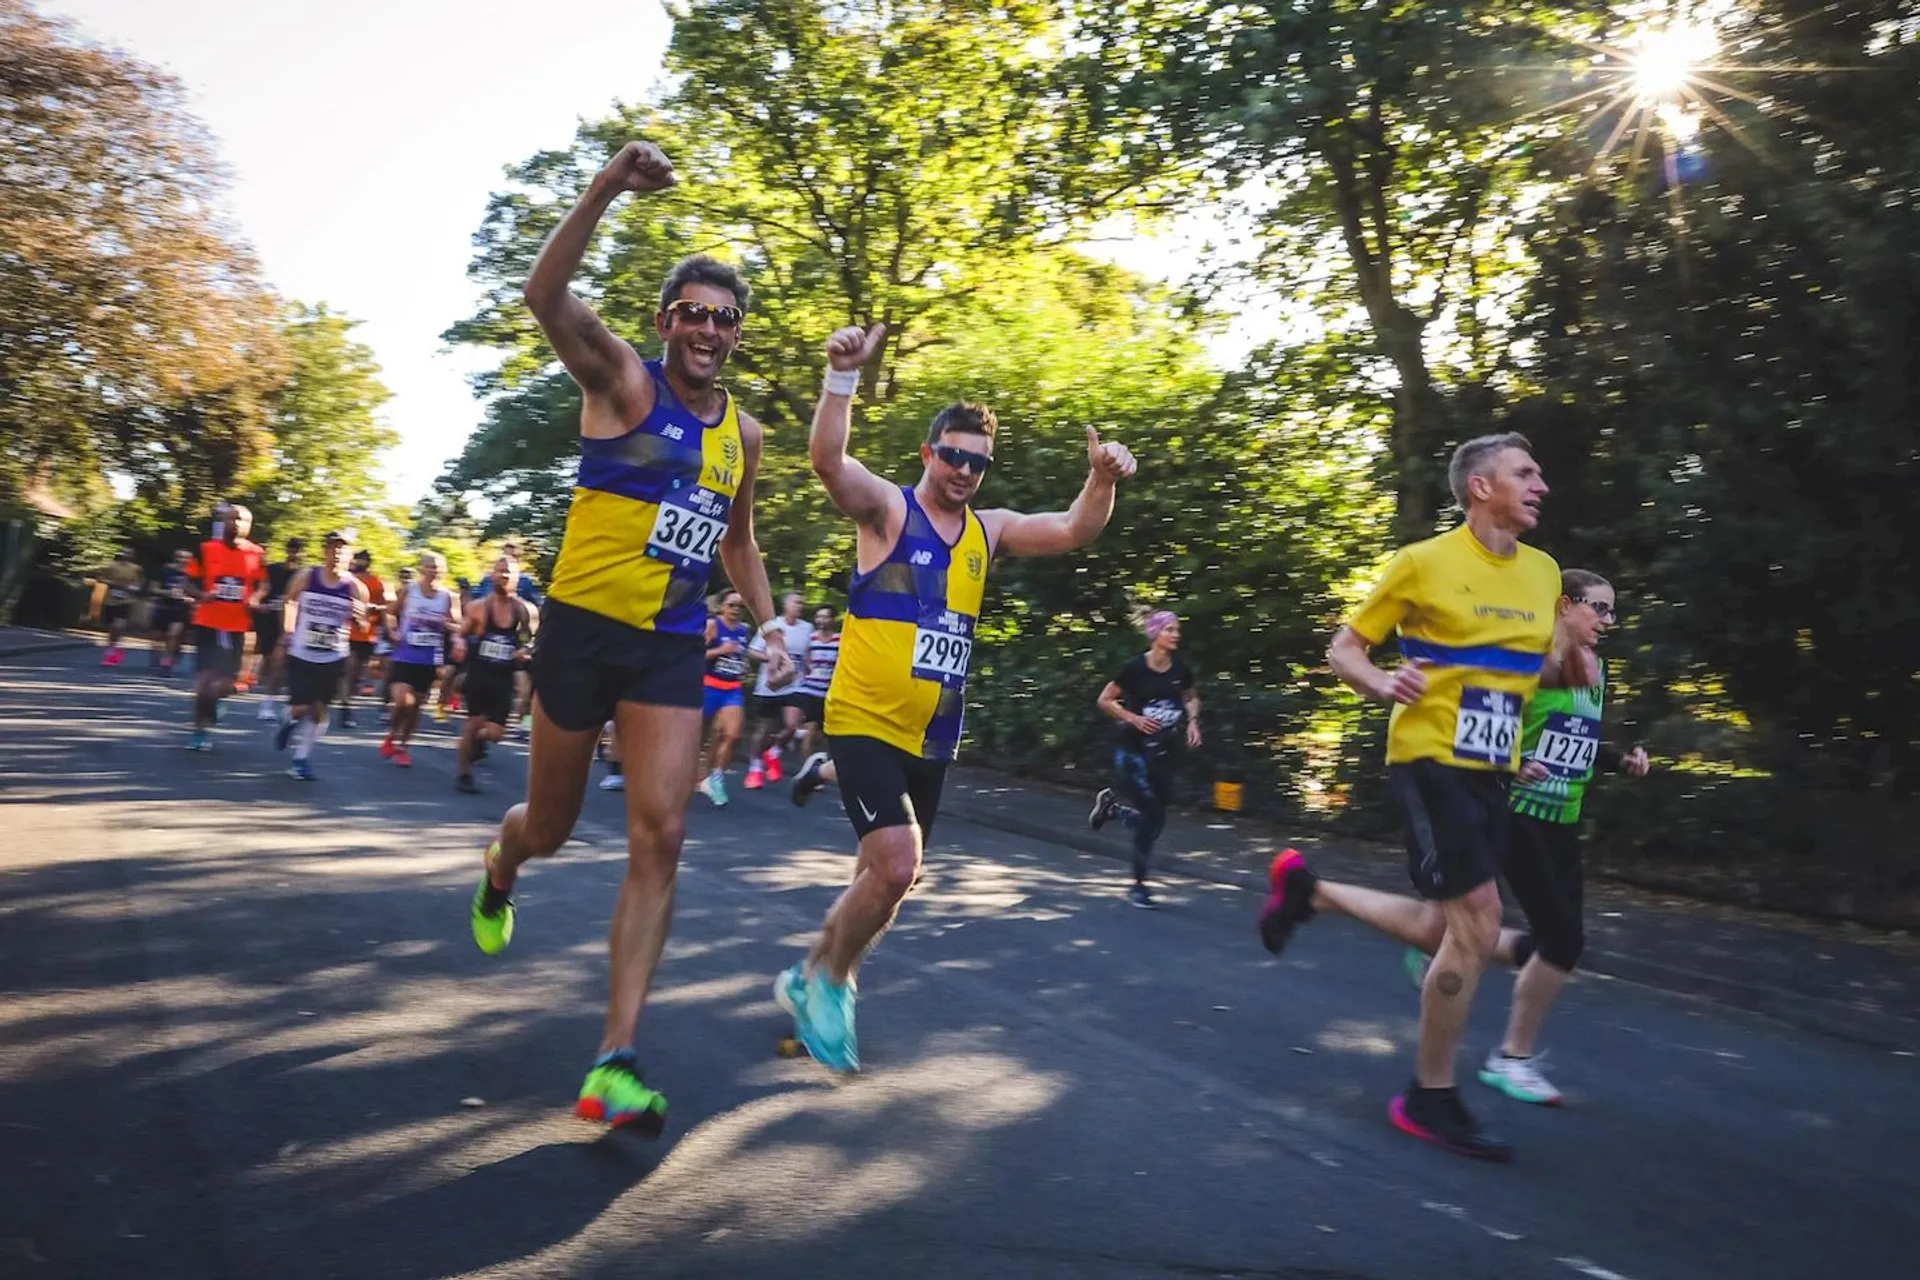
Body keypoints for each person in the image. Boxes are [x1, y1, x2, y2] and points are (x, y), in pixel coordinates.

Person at [465, 140, 790, 1134]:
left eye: (722, 318)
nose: (705, 328)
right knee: (552, 826)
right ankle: (501, 864)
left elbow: (737, 541)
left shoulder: (745, 435)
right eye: (689, 312)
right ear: (664, 323)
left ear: (735, 336)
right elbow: (543, 293)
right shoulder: (619, 380)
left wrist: (773, 627)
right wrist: (605, 187)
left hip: (666, 644)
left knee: (665, 829)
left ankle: (615, 1058)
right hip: (578, 631)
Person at [775, 321, 1137, 1073]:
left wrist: (1101, 479)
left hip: (931, 738)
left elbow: (1074, 529)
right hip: (863, 720)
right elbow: (827, 461)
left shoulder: (988, 530)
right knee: (898, 867)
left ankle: (808, 973)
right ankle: (830, 983)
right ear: (928, 454)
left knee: (881, 883)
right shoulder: (888, 511)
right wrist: (839, 377)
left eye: (978, 462)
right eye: (953, 455)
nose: (965, 470)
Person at [1256, 433, 1595, 1162]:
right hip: (1429, 757)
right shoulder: (1423, 563)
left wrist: (1573, 658)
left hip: (1493, 767)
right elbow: (1345, 648)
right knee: (1479, 921)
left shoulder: (1541, 573)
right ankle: (1429, 1096)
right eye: (1525, 473)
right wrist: (1380, 684)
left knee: (1451, 928)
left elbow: (1539, 673)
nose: (1542, 484)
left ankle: (1309, 891)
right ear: (1481, 487)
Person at [1403, 569, 1651, 1105]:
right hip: (1517, 813)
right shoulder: (1527, 664)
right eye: (1599, 609)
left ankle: (1441, 949)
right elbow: (1486, 728)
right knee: (1563, 940)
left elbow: (1576, 737)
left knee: (1535, 937)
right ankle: (1511, 1057)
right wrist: (1513, 765)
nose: (1609, 621)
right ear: (1564, 605)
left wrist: (1619, 760)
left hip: (1563, 817)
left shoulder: (1595, 670)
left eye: (1613, 611)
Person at [1089, 609, 1202, 907]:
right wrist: (1133, 718)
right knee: (1152, 816)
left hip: (1161, 754)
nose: (1176, 635)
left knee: (1156, 820)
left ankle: (1112, 811)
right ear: (1155, 634)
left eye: (1177, 630)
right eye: (1170, 630)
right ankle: (1138, 885)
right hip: (1132, 754)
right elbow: (1104, 699)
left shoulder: (1180, 670)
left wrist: (1192, 721)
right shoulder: (1135, 668)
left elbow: (1190, 697)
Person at [272, 532, 369, 781]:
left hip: (333, 655)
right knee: (300, 707)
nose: (337, 554)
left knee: (319, 710)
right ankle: (288, 719)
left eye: (343, 550)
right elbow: (289, 601)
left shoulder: (356, 587)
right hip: (302, 651)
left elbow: (363, 628)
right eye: (333, 549)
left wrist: (360, 617)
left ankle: (301, 760)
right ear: (325, 551)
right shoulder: (307, 576)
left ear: (350, 556)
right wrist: (288, 632)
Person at [183, 506, 268, 750]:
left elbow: (263, 585)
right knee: (203, 687)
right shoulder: (206, 549)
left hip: (238, 627)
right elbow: (187, 581)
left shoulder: (257, 553)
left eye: (244, 520)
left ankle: (217, 702)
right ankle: (199, 731)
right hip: (208, 623)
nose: (239, 523)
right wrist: (202, 594)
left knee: (226, 686)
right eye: (234, 518)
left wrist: (256, 598)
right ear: (224, 521)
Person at [456, 555, 538, 794]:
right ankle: (464, 774)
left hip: (503, 678)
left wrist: (524, 651)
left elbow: (531, 639)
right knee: (471, 726)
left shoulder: (525, 610)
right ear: (491, 574)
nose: (503, 576)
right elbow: (461, 634)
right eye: (499, 570)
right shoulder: (478, 607)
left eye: (508, 572)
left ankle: (476, 743)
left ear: (517, 578)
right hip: (479, 673)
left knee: (495, 734)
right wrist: (459, 644)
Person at [382, 552, 460, 767]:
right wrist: (393, 631)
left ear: (443, 571)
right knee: (401, 701)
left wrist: (449, 625)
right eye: (430, 566)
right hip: (405, 654)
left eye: (438, 567)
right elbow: (390, 613)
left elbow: (459, 625)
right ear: (422, 569)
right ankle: (391, 735)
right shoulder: (409, 591)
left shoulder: (448, 597)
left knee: (415, 707)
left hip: (429, 659)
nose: (434, 571)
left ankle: (402, 748)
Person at [741, 592, 812, 790]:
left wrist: (809, 669)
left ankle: (773, 752)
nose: (800, 606)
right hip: (770, 685)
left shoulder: (807, 628)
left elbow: (808, 654)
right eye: (796, 602)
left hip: (795, 684)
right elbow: (752, 651)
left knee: (792, 725)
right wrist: (771, 657)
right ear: (785, 605)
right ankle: (755, 769)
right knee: (764, 729)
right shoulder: (772, 626)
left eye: (802, 603)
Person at [696, 590, 752, 806]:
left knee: (733, 734)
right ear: (721, 607)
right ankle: (691, 777)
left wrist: (744, 665)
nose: (736, 610)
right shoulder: (712, 625)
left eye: (740, 606)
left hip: (732, 688)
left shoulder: (742, 630)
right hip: (709, 686)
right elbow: (696, 653)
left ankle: (717, 777)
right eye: (732, 605)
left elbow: (740, 654)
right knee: (698, 737)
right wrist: (720, 650)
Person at [254, 537, 306, 720]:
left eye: (297, 550)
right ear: (287, 550)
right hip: (270, 619)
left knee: (282, 662)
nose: (294, 553)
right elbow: (263, 588)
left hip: (293, 622)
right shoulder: (274, 569)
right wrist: (258, 601)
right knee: (271, 660)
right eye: (291, 549)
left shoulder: (303, 574)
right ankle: (267, 698)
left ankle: (276, 703)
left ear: (302, 553)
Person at [340, 550, 385, 728]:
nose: (359, 562)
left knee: (358, 673)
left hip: (367, 634)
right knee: (348, 670)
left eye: (363, 559)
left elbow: (385, 606)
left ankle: (348, 700)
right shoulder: (345, 579)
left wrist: (374, 608)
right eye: (357, 558)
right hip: (347, 631)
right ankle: (345, 708)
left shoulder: (375, 581)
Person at [793, 605, 840, 757]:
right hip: (811, 689)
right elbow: (805, 659)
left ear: (832, 619)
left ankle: (814, 760)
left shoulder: (839, 640)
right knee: (811, 729)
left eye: (825, 617)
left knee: (822, 735)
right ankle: (805, 768)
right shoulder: (810, 638)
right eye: (818, 617)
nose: (821, 620)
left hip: (829, 693)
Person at [91, 546, 145, 667]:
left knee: (119, 625)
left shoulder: (136, 568)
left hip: (127, 599)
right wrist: (110, 583)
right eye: (124, 552)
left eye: (129, 553)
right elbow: (100, 577)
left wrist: (135, 587)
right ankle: (113, 647)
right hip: (111, 599)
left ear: (132, 556)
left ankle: (114, 648)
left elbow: (140, 581)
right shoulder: (111, 566)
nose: (126, 554)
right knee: (111, 627)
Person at [150, 549, 195, 675]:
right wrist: (168, 593)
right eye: (180, 557)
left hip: (181, 608)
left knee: (173, 635)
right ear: (175, 557)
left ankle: (167, 662)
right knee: (158, 636)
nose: (183, 560)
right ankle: (157, 659)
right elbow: (153, 588)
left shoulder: (193, 574)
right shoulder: (165, 570)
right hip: (163, 606)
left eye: (187, 558)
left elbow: (198, 593)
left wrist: (189, 599)